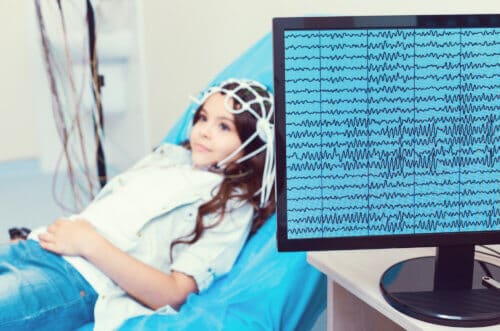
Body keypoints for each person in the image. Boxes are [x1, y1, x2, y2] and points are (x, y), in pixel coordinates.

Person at [0, 78, 275, 331]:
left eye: (224, 126)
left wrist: (90, 244)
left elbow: (174, 293)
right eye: (203, 118)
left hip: (78, 281)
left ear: (252, 146)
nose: (204, 131)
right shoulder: (170, 158)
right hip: (39, 248)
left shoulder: (232, 206)